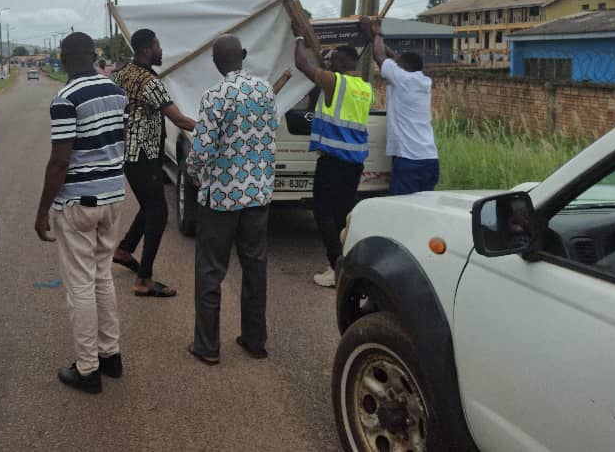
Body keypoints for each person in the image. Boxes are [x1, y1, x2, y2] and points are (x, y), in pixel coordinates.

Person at [34, 32, 129, 394]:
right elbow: (118, 140)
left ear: (62, 58)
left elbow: (60, 161)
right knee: (102, 276)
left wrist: (43, 210)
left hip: (78, 202)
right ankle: (111, 355)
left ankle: (88, 369)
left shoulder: (66, 98)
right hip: (113, 196)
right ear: (93, 55)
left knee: (80, 285)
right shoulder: (116, 92)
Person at [186, 35, 278, 366]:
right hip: (258, 195)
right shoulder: (266, 90)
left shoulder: (215, 95)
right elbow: (270, 132)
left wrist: (192, 172)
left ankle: (207, 346)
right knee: (255, 268)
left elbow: (202, 148)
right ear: (244, 54)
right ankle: (255, 341)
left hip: (221, 200)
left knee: (211, 270)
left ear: (215, 62)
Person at [111, 28, 196, 297]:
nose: (161, 51)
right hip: (143, 155)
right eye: (158, 46)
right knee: (158, 214)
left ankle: (124, 250)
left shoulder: (122, 73)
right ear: (147, 49)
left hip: (129, 152)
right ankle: (143, 280)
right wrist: (212, 126)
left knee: (150, 207)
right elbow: (179, 120)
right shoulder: (149, 82)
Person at [291, 23, 373, 287]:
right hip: (354, 163)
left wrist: (299, 36)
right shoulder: (365, 88)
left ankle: (335, 265)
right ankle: (346, 264)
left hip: (333, 163)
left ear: (345, 61)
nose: (329, 62)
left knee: (323, 212)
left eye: (333, 59)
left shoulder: (334, 81)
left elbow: (301, 64)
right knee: (342, 215)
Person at [365, 19, 439, 195]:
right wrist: (372, 36)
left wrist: (378, 33)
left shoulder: (404, 79)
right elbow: (396, 60)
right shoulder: (422, 80)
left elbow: (379, 56)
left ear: (403, 68)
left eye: (397, 66)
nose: (395, 67)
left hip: (409, 159)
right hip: (430, 159)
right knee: (423, 205)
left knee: (402, 205)